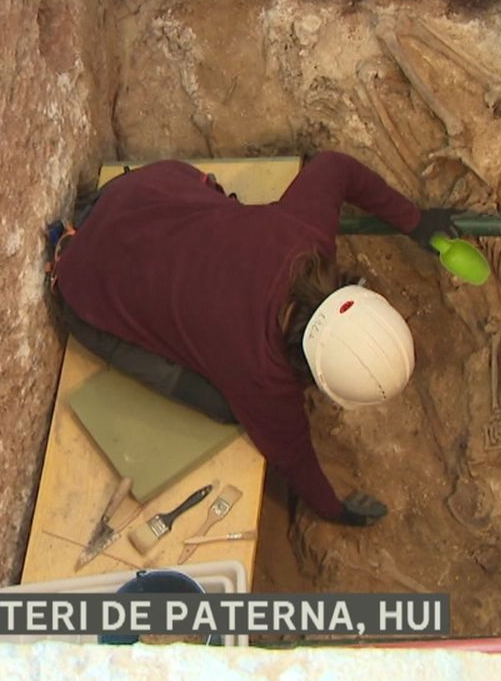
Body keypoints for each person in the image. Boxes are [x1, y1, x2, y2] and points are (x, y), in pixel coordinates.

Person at [48, 152, 457, 527]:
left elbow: (335, 168)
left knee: (215, 210)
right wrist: (334, 511)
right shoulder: (262, 380)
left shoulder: (306, 232)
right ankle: (71, 248)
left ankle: (95, 220)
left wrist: (416, 222)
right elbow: (292, 454)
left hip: (131, 195)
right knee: (226, 407)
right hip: (81, 288)